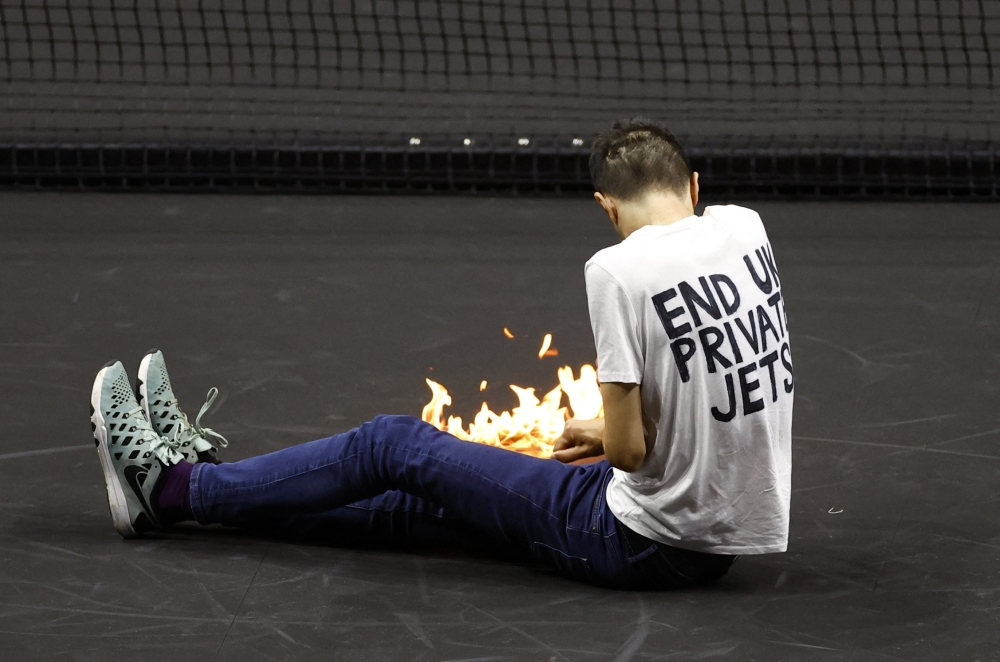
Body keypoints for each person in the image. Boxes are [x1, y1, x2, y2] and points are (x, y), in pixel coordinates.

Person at [89, 118, 793, 590]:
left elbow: (632, 454)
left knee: (392, 447)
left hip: (641, 541)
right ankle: (198, 491)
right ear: (695, 188)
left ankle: (173, 486)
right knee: (410, 508)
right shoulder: (745, 227)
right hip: (716, 539)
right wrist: (606, 434)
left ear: (607, 207)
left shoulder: (617, 269)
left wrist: (612, 434)